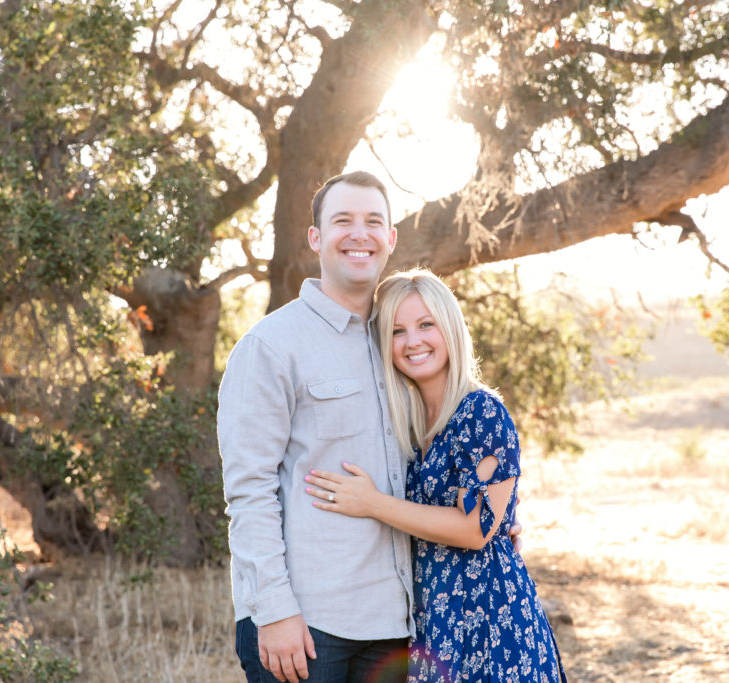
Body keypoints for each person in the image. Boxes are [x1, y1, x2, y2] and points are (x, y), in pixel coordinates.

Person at [303, 270, 567, 682]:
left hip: (489, 619)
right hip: (433, 620)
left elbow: (475, 528)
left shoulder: (481, 412)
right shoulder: (406, 424)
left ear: (450, 328)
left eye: (426, 324)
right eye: (397, 331)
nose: (413, 341)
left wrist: (373, 504)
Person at [217, 171, 413, 683]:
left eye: (374, 222)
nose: (359, 234)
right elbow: (249, 489)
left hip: (397, 620)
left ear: (391, 238)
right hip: (306, 624)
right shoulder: (270, 346)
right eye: (342, 220)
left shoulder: (406, 343)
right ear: (315, 237)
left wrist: (489, 517)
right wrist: (274, 609)